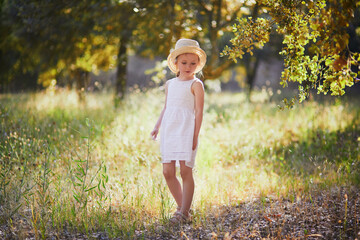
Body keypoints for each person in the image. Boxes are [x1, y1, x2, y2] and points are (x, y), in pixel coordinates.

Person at [150, 39, 206, 223]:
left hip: (186, 130)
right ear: (175, 63)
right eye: (184, 63)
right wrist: (157, 127)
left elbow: (198, 111)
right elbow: (167, 107)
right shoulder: (169, 84)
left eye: (193, 63)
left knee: (185, 171)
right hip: (170, 130)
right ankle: (185, 210)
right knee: (167, 171)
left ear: (198, 64)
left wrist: (195, 135)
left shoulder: (196, 84)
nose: (188, 66)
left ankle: (183, 213)